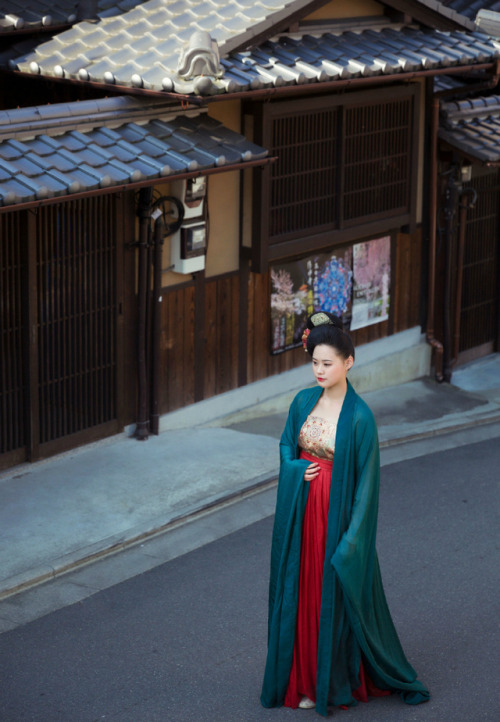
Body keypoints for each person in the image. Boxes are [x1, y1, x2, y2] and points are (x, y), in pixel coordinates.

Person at [261, 311, 430, 717]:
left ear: (348, 363)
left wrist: (352, 541)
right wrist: (298, 470)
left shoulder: (360, 418)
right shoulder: (303, 401)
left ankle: (328, 685)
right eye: (314, 362)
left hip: (334, 523)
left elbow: (367, 487)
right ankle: (300, 681)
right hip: (302, 515)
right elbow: (286, 447)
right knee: (298, 595)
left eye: (327, 363)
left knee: (329, 599)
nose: (319, 370)